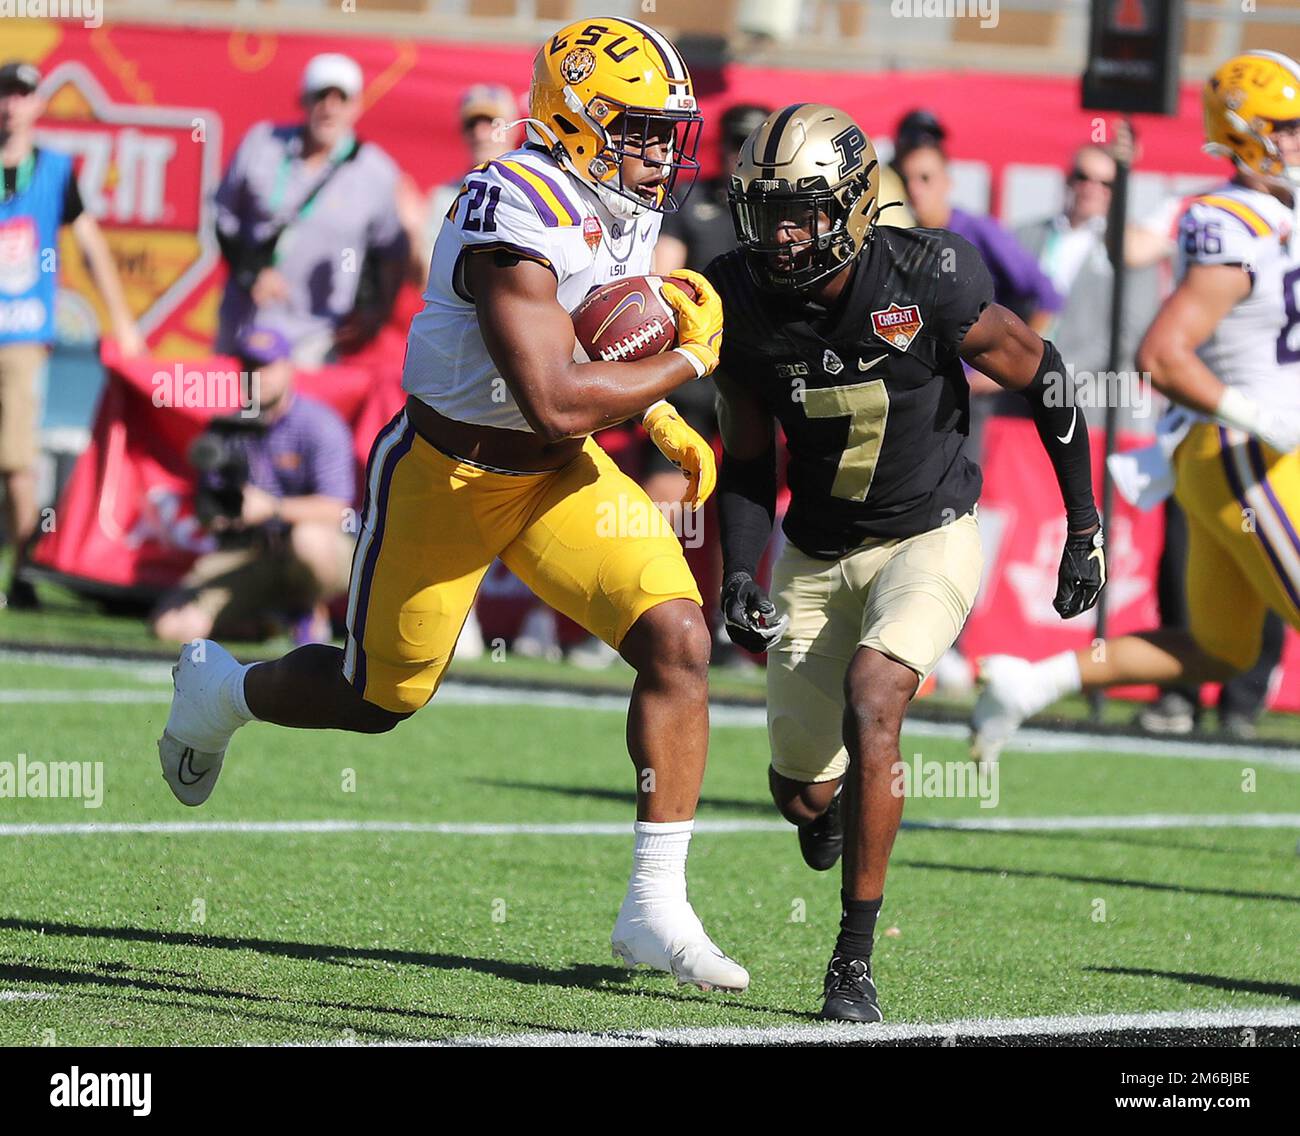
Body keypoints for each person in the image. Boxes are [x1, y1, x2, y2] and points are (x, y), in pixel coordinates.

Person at [157, 18, 748, 993]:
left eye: (665, 130)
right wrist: (685, 363)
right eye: (640, 128)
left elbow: (592, 341)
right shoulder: (509, 200)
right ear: (579, 116)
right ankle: (219, 690)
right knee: (378, 698)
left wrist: (651, 413)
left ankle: (656, 902)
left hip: (559, 473)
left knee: (678, 640)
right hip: (451, 471)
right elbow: (551, 391)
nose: (659, 151)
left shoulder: (617, 195)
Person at [710, 104, 1105, 1022]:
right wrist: (737, 570)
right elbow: (746, 459)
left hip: (927, 534)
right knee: (801, 793)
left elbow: (1046, 373)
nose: (779, 234)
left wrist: (1083, 525)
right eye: (764, 211)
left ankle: (852, 960)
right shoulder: (735, 292)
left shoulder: (928, 274)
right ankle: (837, 812)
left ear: (851, 206)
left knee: (873, 699)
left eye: (800, 212)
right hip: (813, 551)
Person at [971, 51, 1300, 760]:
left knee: (1219, 649)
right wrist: (1270, 421)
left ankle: (1032, 683)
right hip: (1248, 450)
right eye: (1291, 127)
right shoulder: (1228, 218)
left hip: (1245, 454)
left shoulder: (1279, 211)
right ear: (1249, 132)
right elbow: (1162, 353)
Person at [0, 60, 144, 610]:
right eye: (5, 94)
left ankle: (23, 569)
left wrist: (121, 319)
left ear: (37, 104)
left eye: (22, 95)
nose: (12, 105)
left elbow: (90, 244)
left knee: (17, 461)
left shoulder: (55, 170)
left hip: (21, 334)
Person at [150, 326, 355, 646]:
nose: (256, 377)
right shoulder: (226, 430)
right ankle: (265, 620)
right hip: (251, 551)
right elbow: (212, 512)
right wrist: (218, 514)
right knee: (172, 627)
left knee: (308, 540)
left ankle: (307, 607)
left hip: (318, 547)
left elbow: (337, 510)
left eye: (265, 367)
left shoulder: (319, 425)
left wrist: (271, 508)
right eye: (248, 368)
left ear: (288, 369)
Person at [214, 53, 409, 366]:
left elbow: (390, 253)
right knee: (235, 412)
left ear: (356, 105)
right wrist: (249, 271)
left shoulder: (376, 172)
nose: (328, 107)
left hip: (317, 338)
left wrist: (376, 311)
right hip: (247, 324)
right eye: (320, 95)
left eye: (340, 97)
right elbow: (222, 220)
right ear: (302, 99)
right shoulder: (261, 144)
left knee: (301, 414)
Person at [1015, 142, 1161, 432]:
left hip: (1094, 407)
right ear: (1069, 178)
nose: (1091, 188)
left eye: (1105, 182)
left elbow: (1129, 331)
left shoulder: (1134, 246)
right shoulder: (1025, 236)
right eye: (1083, 177)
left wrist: (1054, 373)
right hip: (1018, 401)